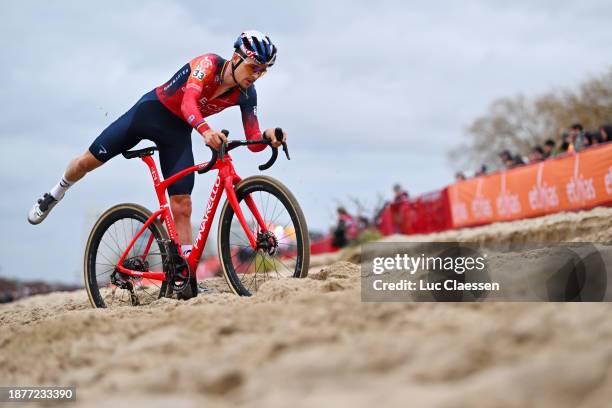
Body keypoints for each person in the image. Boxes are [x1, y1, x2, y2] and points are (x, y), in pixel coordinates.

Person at [28, 31, 285, 255]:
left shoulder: (247, 94)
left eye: (263, 71)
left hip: (178, 132)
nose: (257, 74)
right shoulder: (207, 64)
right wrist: (206, 131)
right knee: (87, 162)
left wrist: (267, 136)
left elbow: (253, 142)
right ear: (237, 57)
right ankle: (55, 193)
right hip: (149, 114)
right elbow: (188, 103)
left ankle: (185, 271)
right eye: (254, 66)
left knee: (183, 204)